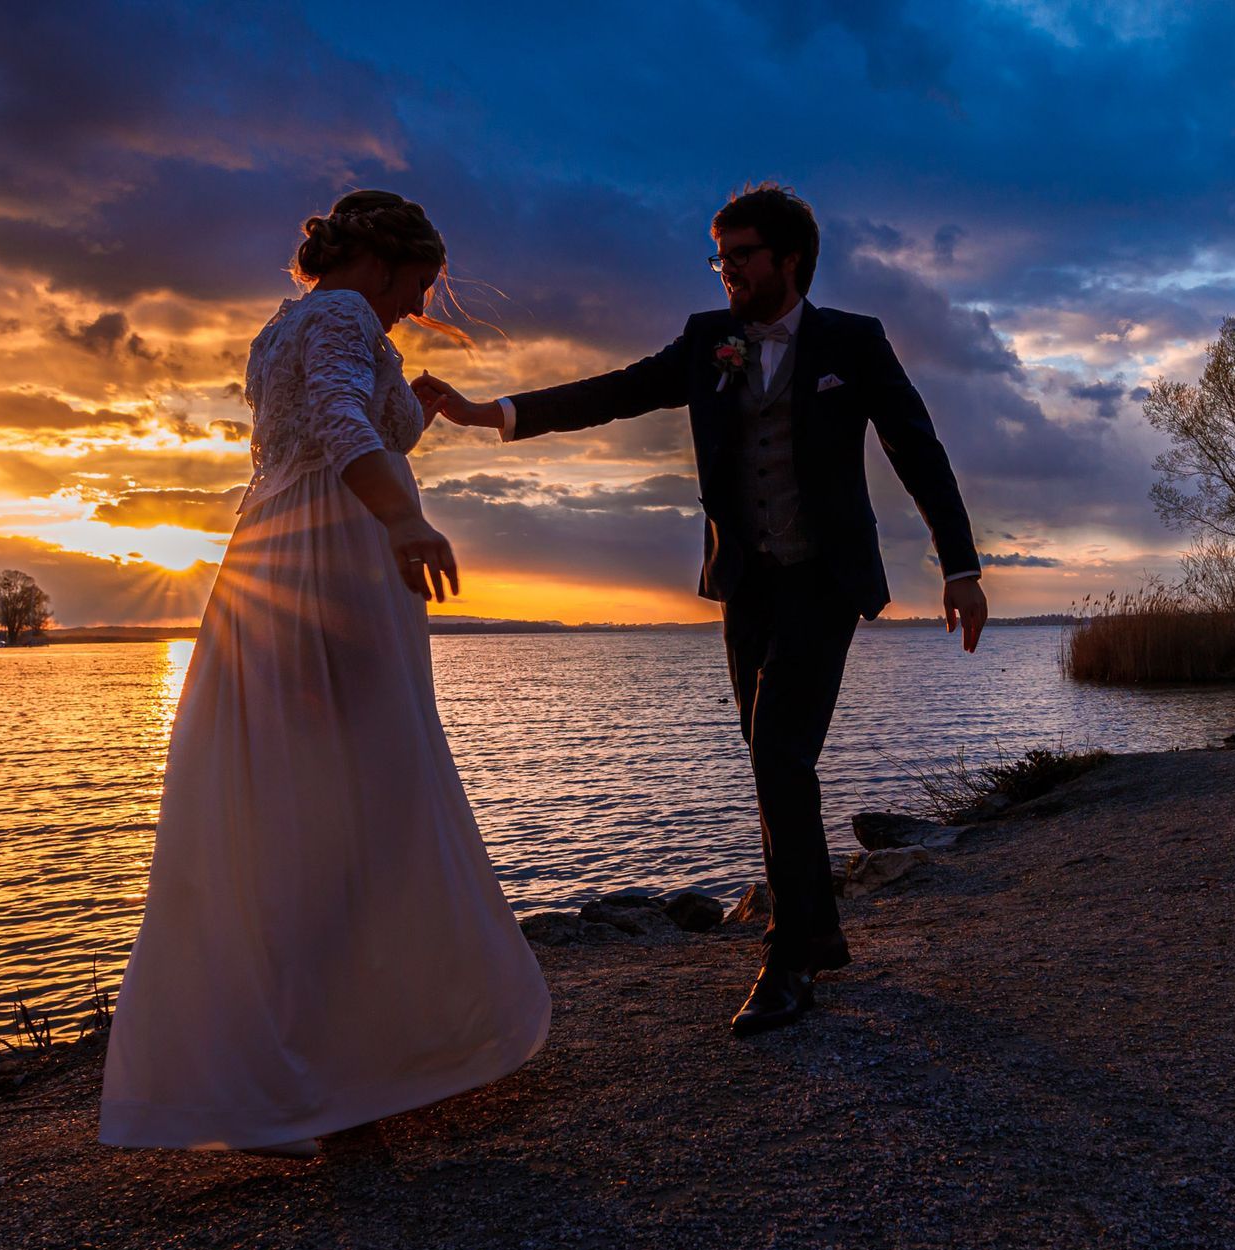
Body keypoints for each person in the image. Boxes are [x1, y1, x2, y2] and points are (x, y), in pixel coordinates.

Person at [413, 183, 986, 1037]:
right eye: (719, 257)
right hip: (746, 585)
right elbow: (615, 392)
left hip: (825, 581)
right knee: (768, 757)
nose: (727, 272)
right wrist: (488, 412)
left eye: (742, 255)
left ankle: (790, 957)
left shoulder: (851, 343)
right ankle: (814, 934)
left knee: (779, 753)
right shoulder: (706, 340)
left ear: (790, 259)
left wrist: (962, 567)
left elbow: (918, 449)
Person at [98, 191, 550, 1157]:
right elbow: (342, 420)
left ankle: (317, 1058)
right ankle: (348, 1072)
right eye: (418, 287)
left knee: (307, 810)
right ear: (381, 264)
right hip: (335, 572)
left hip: (270, 565)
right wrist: (404, 518)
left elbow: (328, 436)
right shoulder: (346, 316)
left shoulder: (282, 328)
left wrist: (411, 418)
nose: (415, 309)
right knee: (370, 812)